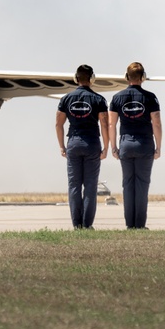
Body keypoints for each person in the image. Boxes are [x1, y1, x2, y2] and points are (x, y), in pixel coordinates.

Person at [55, 64, 109, 229]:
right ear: (92, 79)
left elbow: (58, 124)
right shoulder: (99, 99)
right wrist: (106, 147)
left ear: (76, 78)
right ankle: (87, 224)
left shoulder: (65, 99)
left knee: (74, 185)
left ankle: (76, 224)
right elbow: (105, 124)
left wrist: (61, 146)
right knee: (90, 185)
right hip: (92, 143)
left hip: (73, 143)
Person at [109, 61, 161, 229]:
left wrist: (113, 147)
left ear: (126, 77)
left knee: (128, 184)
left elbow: (111, 125)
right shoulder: (150, 97)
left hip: (125, 144)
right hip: (145, 144)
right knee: (142, 184)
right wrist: (158, 146)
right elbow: (157, 123)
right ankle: (140, 224)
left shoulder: (116, 98)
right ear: (143, 78)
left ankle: (129, 225)